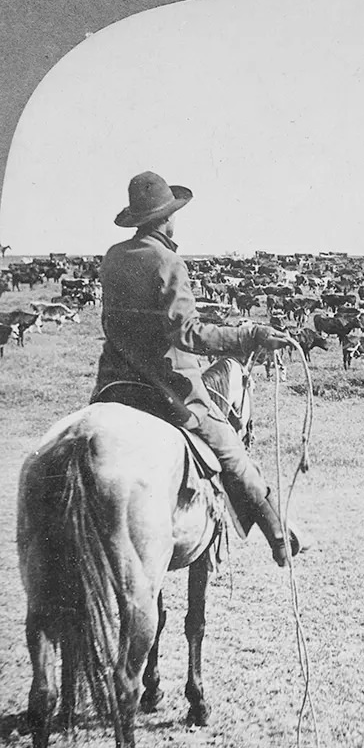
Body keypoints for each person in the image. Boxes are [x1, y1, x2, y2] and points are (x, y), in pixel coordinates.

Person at [91, 171, 302, 566]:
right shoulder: (167, 261)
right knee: (232, 452)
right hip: (165, 387)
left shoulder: (113, 257)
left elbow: (111, 323)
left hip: (113, 385)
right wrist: (250, 334)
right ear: (167, 218)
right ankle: (278, 535)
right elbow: (188, 334)